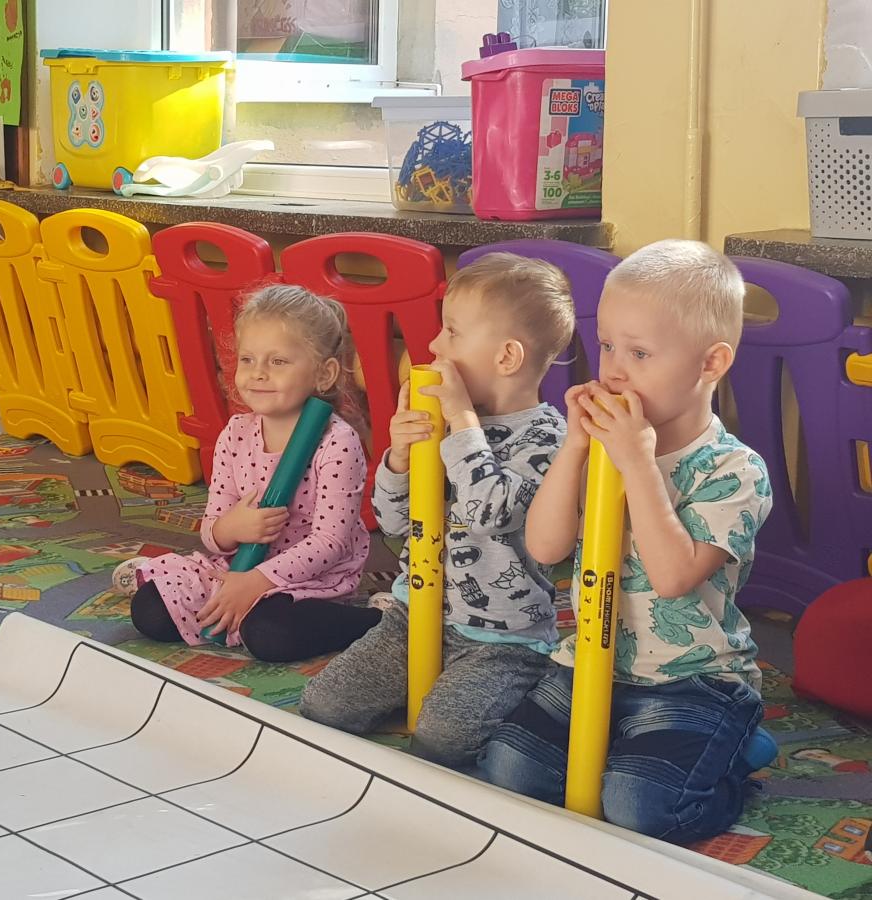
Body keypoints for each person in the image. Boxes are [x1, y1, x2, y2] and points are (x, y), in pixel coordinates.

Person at [481, 240, 773, 843]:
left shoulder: (734, 469)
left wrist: (637, 463)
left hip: (693, 678)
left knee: (639, 806)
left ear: (711, 364)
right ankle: (643, 749)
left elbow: (674, 577)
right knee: (508, 769)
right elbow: (545, 548)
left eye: (639, 353)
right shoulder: (601, 445)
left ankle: (733, 762)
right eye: (608, 345)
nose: (613, 370)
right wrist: (575, 448)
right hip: (590, 662)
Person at [300, 253, 575, 770]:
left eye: (452, 331)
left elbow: (490, 512)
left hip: (502, 639)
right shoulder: (443, 419)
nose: (433, 346)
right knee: (323, 707)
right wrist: (399, 461)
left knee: (441, 741)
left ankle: (533, 698)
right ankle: (432, 691)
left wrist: (462, 421)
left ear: (507, 357)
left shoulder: (547, 440)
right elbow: (393, 524)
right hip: (413, 615)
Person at [118, 284, 378, 662]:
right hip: (237, 569)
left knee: (270, 634)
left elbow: (329, 543)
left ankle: (374, 620)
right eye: (248, 359)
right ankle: (223, 604)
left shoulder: (337, 442)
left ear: (324, 374)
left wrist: (256, 582)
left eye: (278, 362)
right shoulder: (235, 434)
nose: (258, 374)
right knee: (150, 611)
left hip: (309, 579)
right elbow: (212, 531)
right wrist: (231, 528)